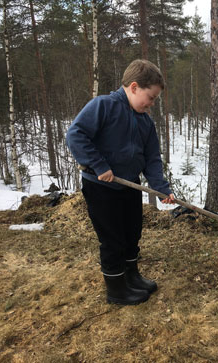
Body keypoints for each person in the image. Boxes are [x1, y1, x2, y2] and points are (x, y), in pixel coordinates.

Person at [66, 59, 175, 305]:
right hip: (101, 188)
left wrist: (160, 188)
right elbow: (76, 135)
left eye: (155, 99)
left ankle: (131, 276)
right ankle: (116, 289)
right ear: (134, 87)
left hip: (130, 187)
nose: (152, 104)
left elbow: (151, 159)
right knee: (113, 239)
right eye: (151, 97)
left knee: (132, 233)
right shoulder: (103, 106)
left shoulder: (146, 121)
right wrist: (99, 165)